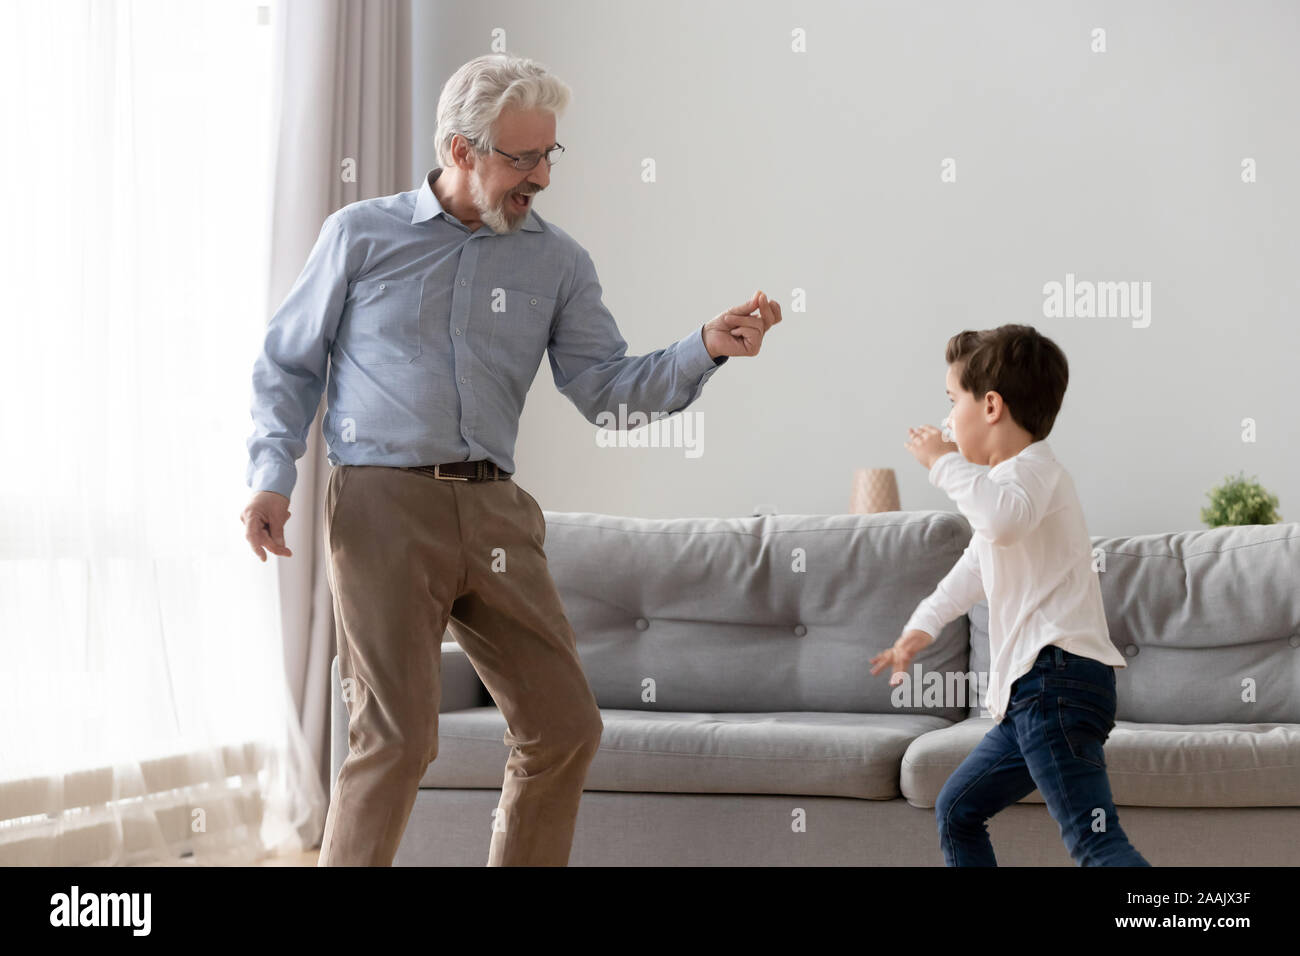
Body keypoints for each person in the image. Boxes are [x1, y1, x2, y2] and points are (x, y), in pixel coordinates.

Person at [240, 53, 782, 866]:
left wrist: (703, 350)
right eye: (522, 158)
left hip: (495, 510)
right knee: (395, 738)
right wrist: (269, 476)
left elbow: (606, 389)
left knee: (564, 725)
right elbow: (289, 364)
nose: (542, 177)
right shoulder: (360, 236)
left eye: (548, 155)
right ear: (462, 151)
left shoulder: (556, 262)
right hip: (382, 509)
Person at [871, 324, 1149, 866]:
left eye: (953, 401)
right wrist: (915, 634)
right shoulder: (1007, 491)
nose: (948, 421)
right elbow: (967, 576)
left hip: (1055, 685)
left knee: (1095, 842)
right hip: (1037, 696)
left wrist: (941, 462)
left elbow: (998, 521)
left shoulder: (1034, 473)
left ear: (991, 405)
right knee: (957, 809)